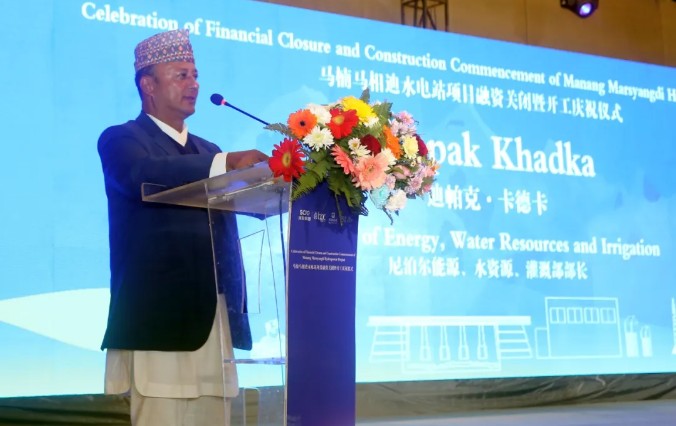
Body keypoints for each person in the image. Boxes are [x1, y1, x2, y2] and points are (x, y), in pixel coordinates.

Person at [98, 29, 268, 426]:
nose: (194, 84)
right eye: (181, 75)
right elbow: (143, 174)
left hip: (214, 318)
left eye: (195, 75)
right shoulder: (122, 140)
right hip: (160, 320)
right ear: (148, 85)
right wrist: (228, 163)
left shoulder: (209, 150)